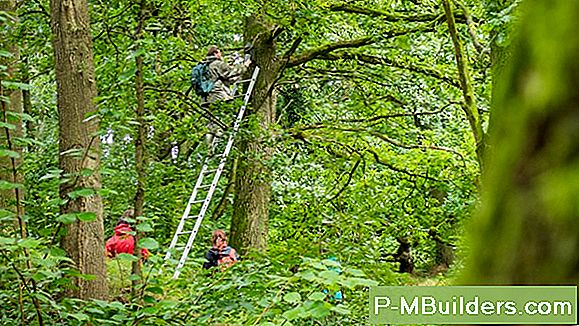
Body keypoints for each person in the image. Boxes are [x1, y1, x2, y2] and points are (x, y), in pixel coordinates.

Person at [202, 45, 251, 148]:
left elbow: (227, 79)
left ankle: (208, 147)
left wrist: (239, 76)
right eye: (219, 52)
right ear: (215, 53)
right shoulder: (217, 64)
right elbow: (231, 72)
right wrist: (245, 65)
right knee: (223, 117)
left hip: (206, 98)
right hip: (218, 94)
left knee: (210, 122)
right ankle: (219, 135)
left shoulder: (205, 66)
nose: (221, 55)